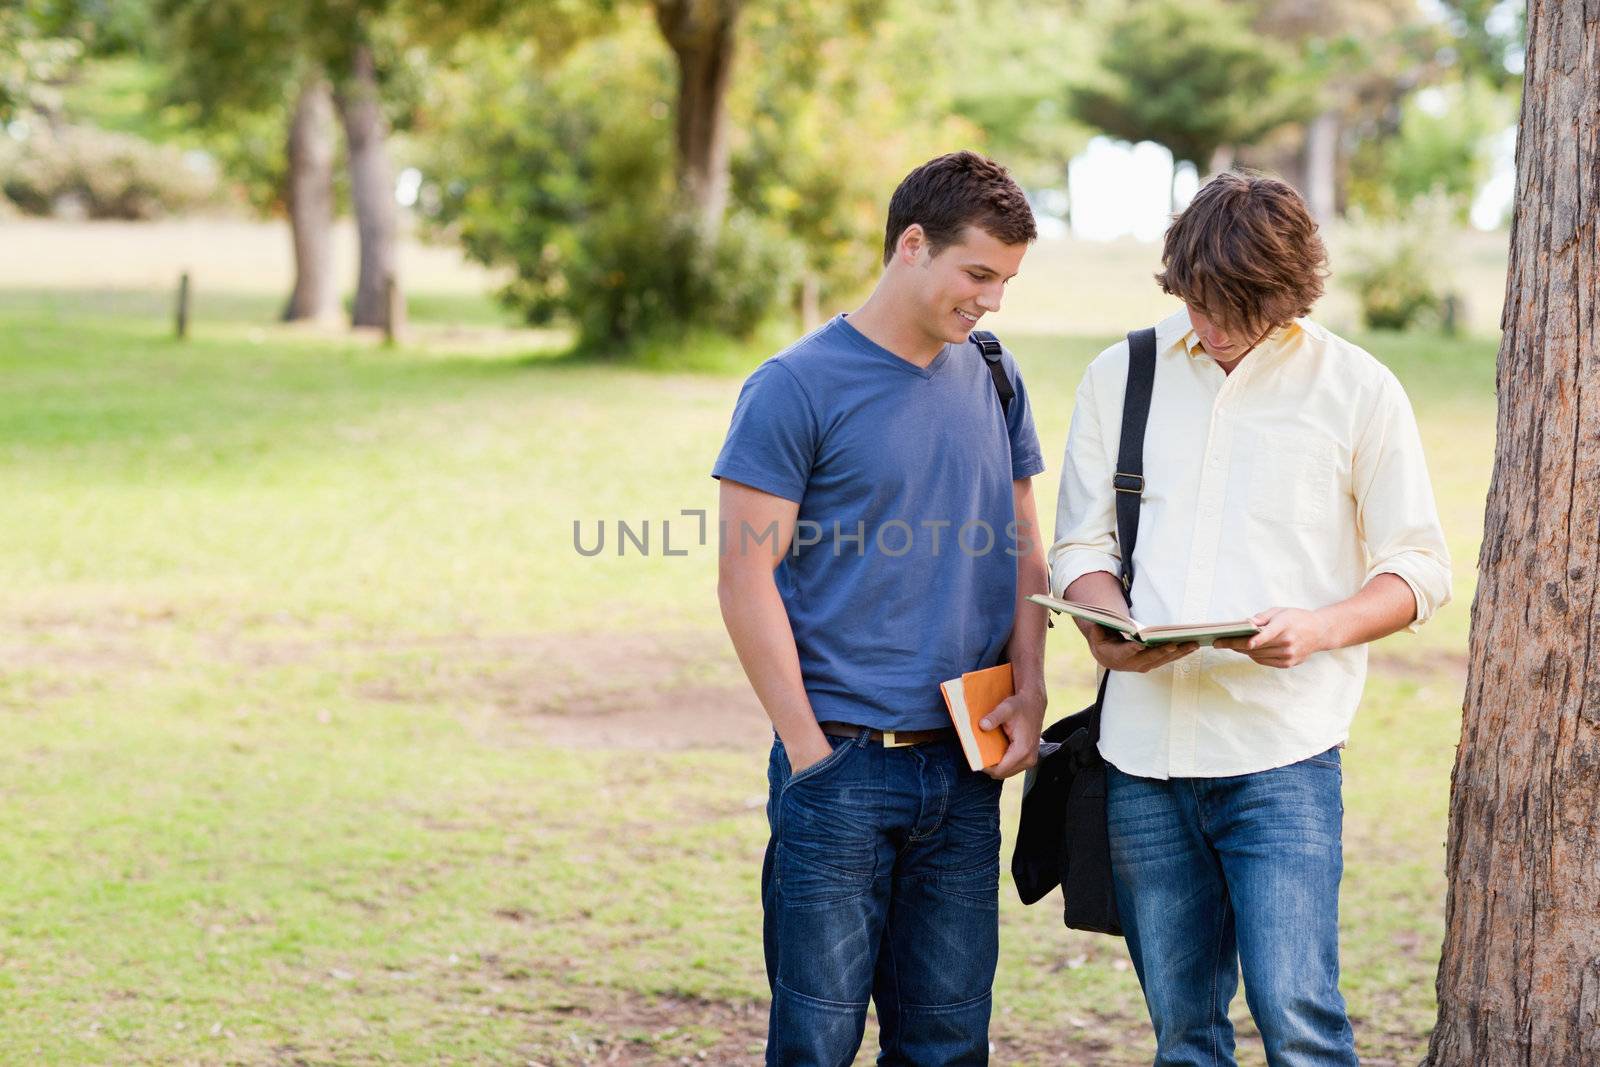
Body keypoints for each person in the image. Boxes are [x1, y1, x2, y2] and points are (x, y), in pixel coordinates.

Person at [1048, 172, 1451, 1066]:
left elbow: (1420, 568)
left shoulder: (1358, 387)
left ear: (1290, 295)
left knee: (1299, 1021)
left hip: (1283, 757)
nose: (1213, 323)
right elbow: (1079, 546)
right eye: (1197, 299)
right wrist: (1104, 622)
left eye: (1237, 306)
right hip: (1141, 757)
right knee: (1183, 1032)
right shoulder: (1121, 374)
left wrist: (1321, 627)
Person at [713, 150, 1049, 1066]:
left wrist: (1032, 687)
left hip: (965, 767)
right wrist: (808, 752)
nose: (991, 300)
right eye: (977, 273)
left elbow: (1024, 541)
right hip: (842, 767)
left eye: (1007, 281)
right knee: (817, 1042)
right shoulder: (794, 386)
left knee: (946, 1043)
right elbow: (744, 579)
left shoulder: (993, 372)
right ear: (912, 245)